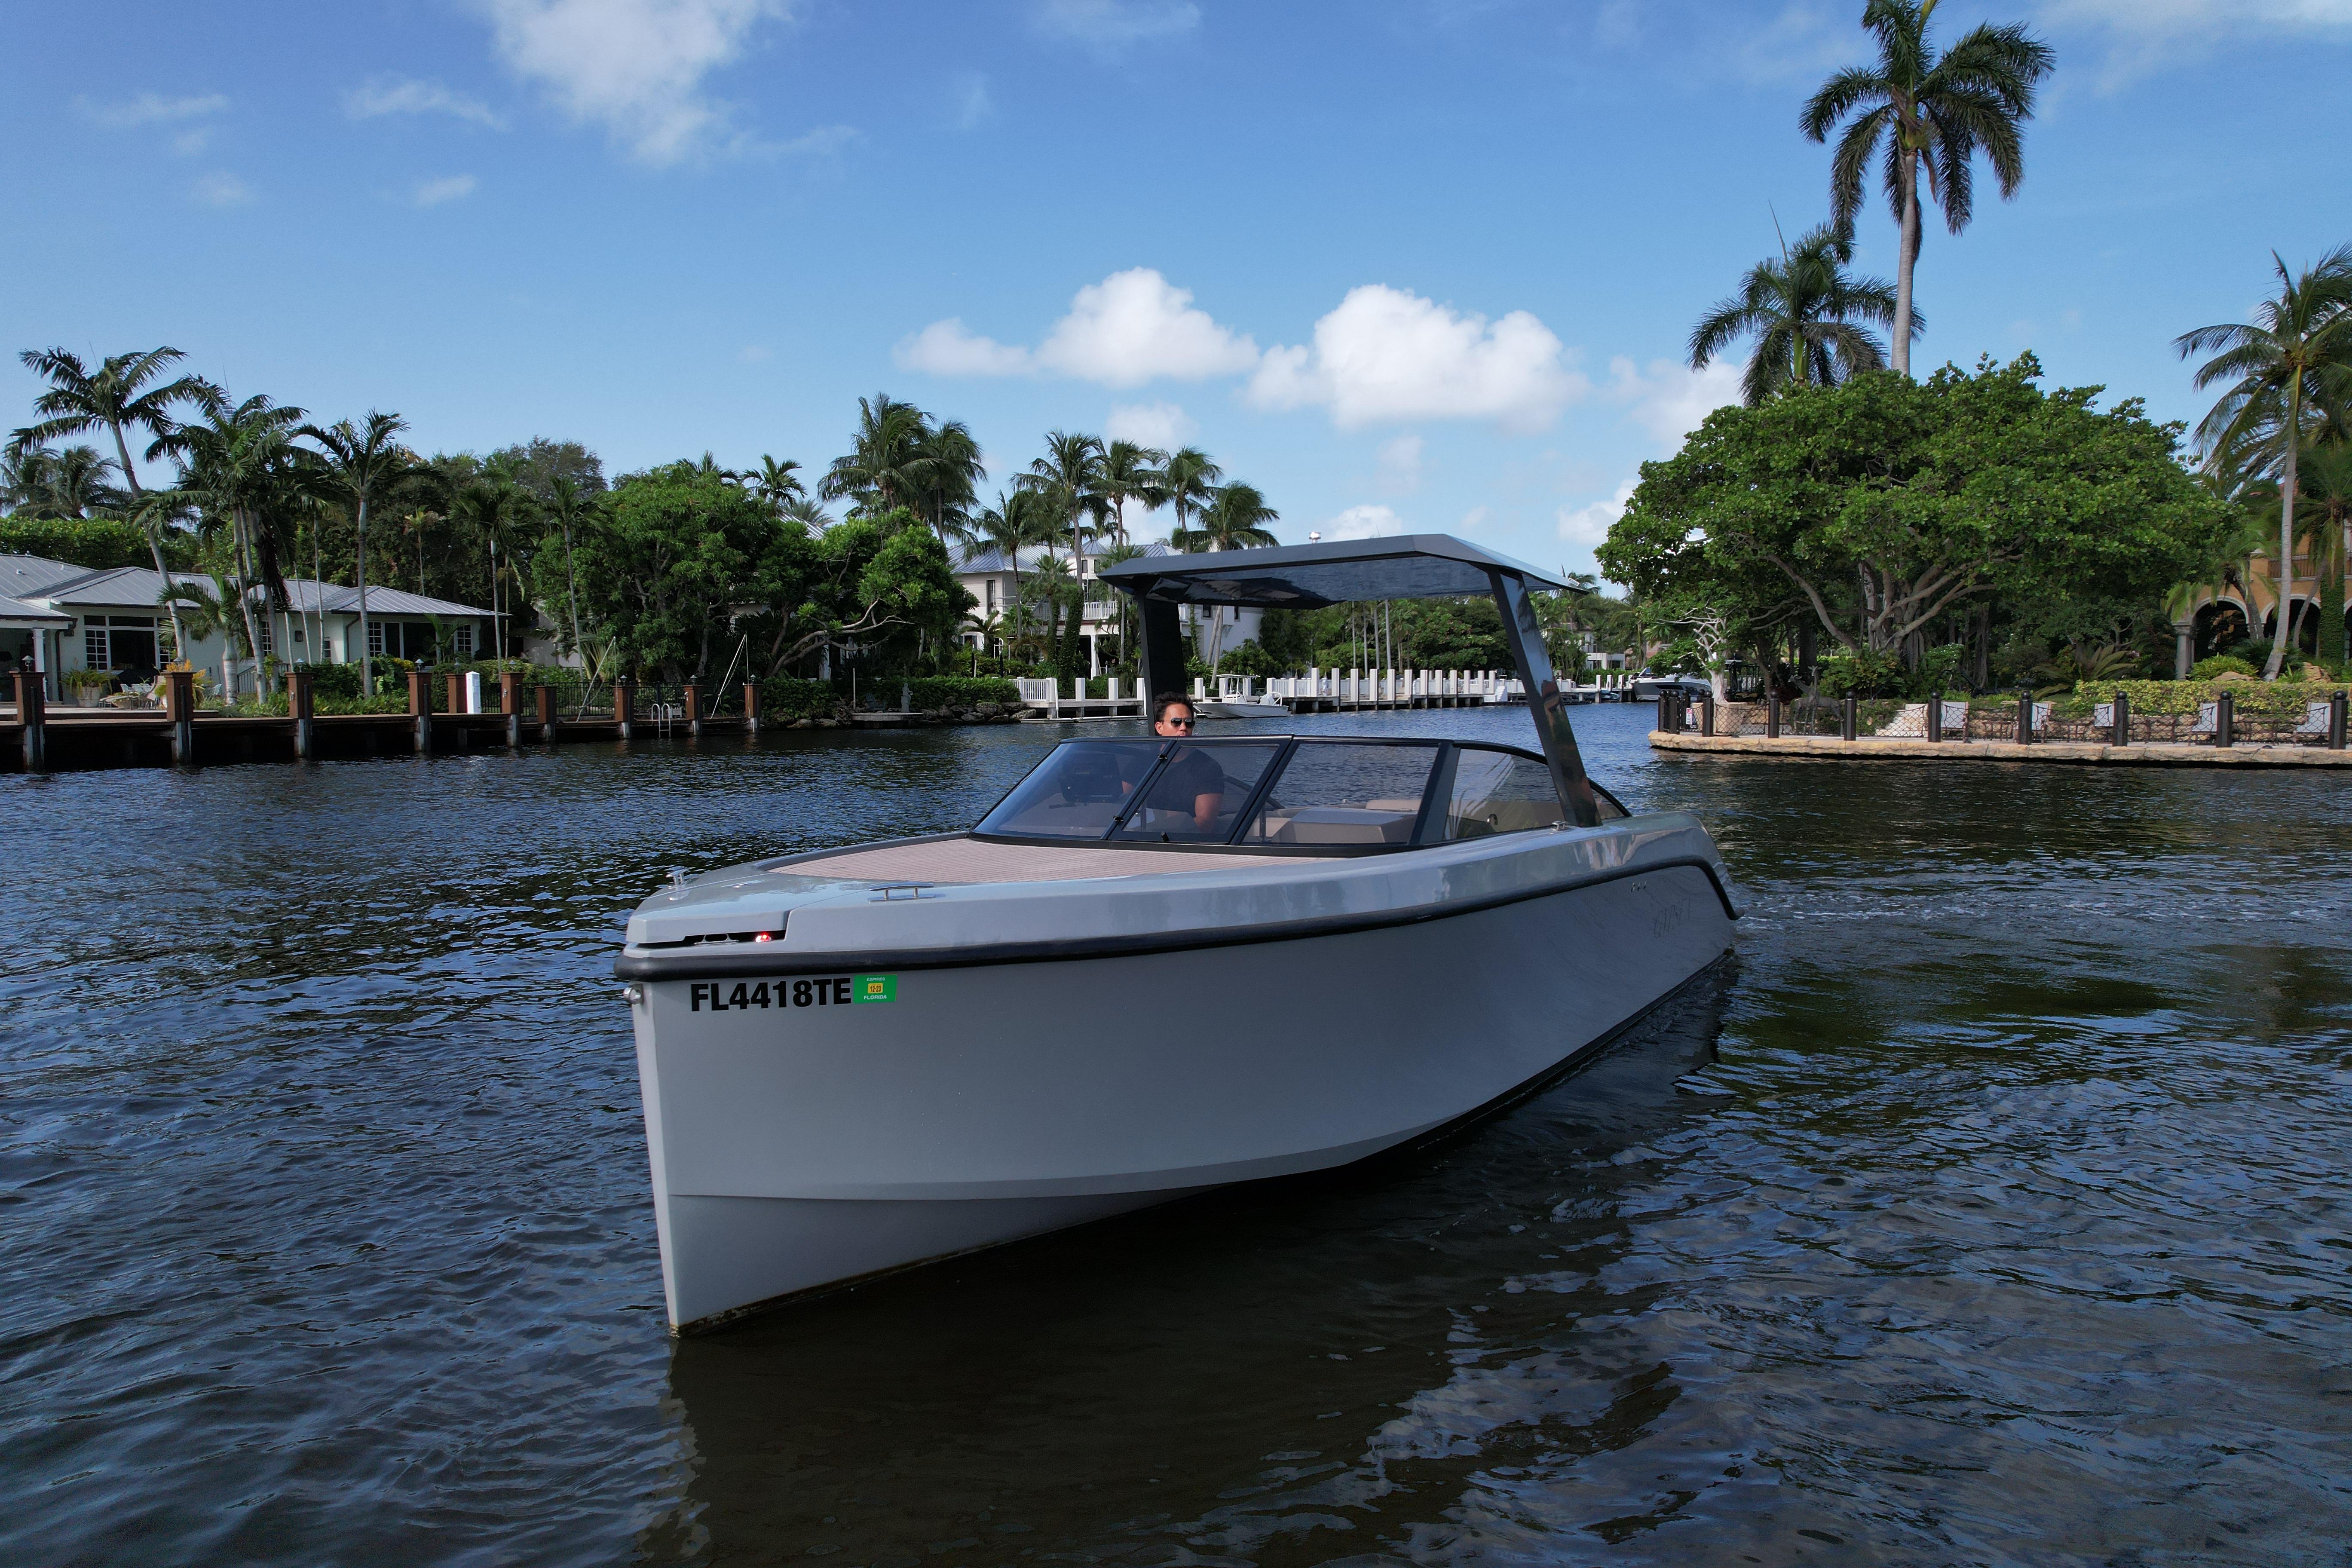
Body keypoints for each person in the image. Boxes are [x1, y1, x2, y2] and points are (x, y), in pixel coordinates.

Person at [1144, 692, 1225, 833]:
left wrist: (1158, 831)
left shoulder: (1207, 768)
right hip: (1138, 837)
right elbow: (1121, 802)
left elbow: (1205, 823)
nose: (1183, 728)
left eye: (1189, 723)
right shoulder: (1142, 763)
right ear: (1159, 728)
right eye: (1176, 722)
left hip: (1182, 842)